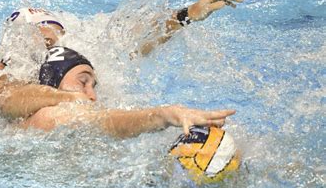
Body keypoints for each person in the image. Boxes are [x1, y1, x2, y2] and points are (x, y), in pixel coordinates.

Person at [0, 0, 243, 119]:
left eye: (55, 38)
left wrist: (185, 16)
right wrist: (69, 98)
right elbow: (8, 98)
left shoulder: (76, 56)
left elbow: (133, 43)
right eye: (42, 41)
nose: (51, 47)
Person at [19, 46, 235, 138]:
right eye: (83, 82)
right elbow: (108, 122)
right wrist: (165, 115)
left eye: (93, 86)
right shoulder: (47, 117)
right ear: (50, 85)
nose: (92, 95)